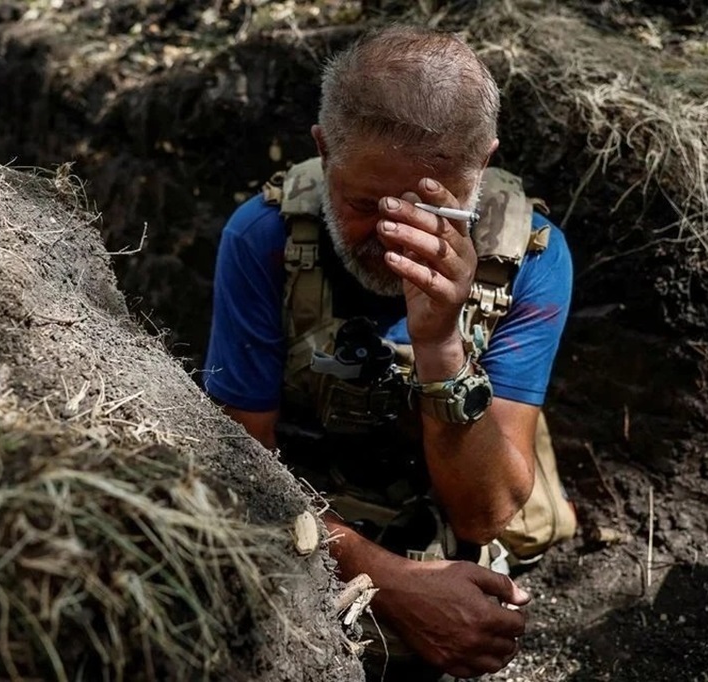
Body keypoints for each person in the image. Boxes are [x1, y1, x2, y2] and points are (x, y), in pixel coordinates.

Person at [203, 25, 575, 679]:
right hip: (305, 503)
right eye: (365, 204)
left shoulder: (532, 258)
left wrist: (439, 343)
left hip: (445, 508)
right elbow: (240, 475)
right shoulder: (263, 237)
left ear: (481, 165)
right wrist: (394, 583)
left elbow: (483, 514)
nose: (393, 235)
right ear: (323, 151)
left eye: (436, 209)